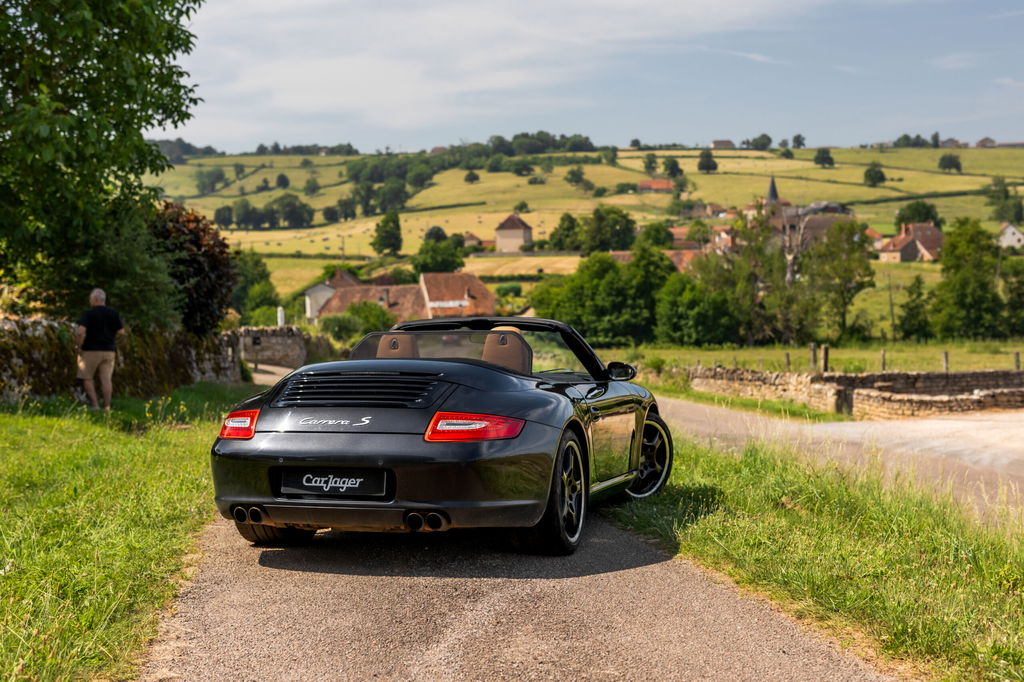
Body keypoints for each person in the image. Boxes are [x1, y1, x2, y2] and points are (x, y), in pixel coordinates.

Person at [75, 288, 125, 411]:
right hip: (109, 350)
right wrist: (113, 340)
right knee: (106, 379)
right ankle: (107, 406)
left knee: (87, 377)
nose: (90, 301)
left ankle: (95, 405)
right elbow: (121, 332)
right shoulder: (113, 313)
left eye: (91, 299)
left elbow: (80, 332)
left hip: (91, 350)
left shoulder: (88, 313)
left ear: (95, 299)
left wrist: (79, 346)